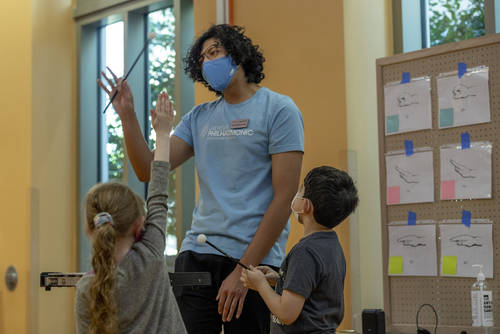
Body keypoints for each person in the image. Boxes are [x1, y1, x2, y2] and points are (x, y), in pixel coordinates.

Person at [98, 24, 304, 334]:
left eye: (215, 51)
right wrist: (127, 115)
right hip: (195, 257)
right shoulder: (199, 117)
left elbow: (283, 198)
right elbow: (148, 169)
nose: (208, 60)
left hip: (253, 262)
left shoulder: (279, 110)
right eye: (203, 57)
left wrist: (243, 271)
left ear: (237, 54)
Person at [75, 92, 187, 334]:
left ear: (89, 228)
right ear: (139, 226)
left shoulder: (86, 288)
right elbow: (158, 191)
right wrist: (163, 133)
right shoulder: (151, 254)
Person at [241, 166, 359, 333]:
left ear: (305, 205)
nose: (297, 193)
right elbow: (315, 288)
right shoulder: (332, 245)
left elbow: (286, 313)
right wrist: (279, 279)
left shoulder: (305, 252)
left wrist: (260, 284)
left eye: (301, 190)